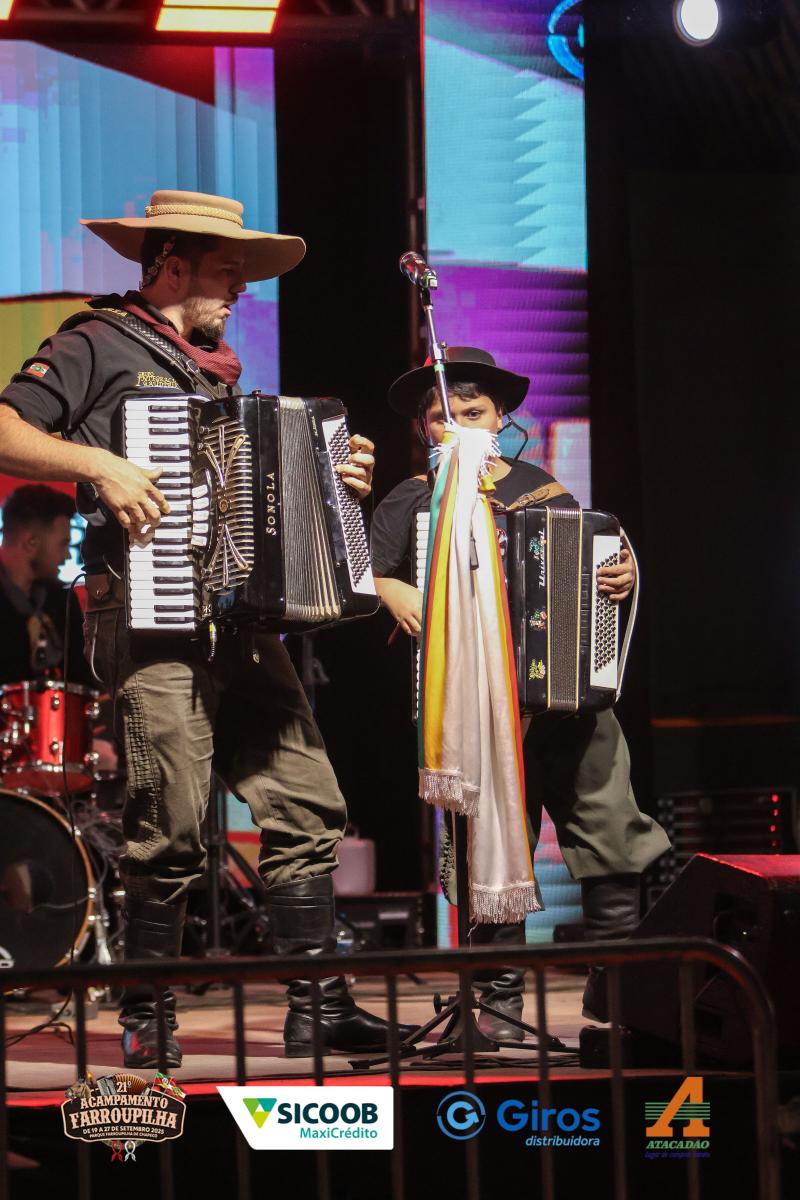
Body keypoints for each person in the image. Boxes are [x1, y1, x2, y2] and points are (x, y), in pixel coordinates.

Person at [0, 188, 415, 1065]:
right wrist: (101, 465)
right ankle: (146, 1017)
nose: (239, 289)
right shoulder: (96, 340)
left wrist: (336, 479)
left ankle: (317, 1003)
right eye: (226, 271)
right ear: (169, 265)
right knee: (173, 821)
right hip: (147, 616)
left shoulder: (213, 371)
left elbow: (253, 499)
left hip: (238, 620)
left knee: (308, 799)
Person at [371, 346, 671, 1035]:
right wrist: (392, 588)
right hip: (477, 708)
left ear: (500, 417)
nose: (458, 426)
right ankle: (496, 1003)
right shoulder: (413, 500)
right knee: (486, 848)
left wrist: (619, 574)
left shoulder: (542, 488)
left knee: (612, 835)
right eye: (442, 418)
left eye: (473, 412)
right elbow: (366, 573)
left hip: (567, 704)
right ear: (423, 428)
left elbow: (592, 565)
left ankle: (616, 994)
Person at [0, 484, 90, 686]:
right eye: (63, 543)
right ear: (31, 542)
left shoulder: (62, 599)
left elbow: (82, 682)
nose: (68, 555)